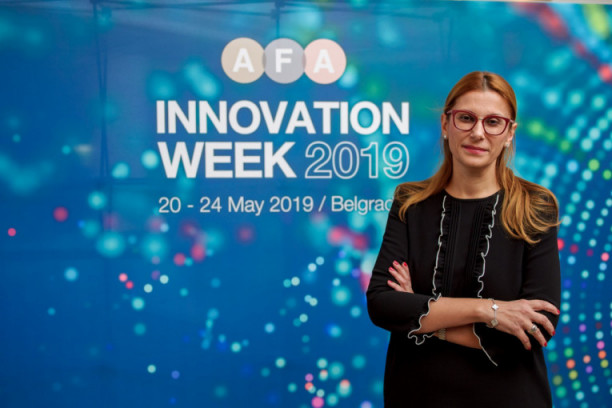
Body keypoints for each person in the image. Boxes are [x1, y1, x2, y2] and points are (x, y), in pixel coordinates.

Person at [366, 71, 561, 407]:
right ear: (446, 124)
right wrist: (490, 311)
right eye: (466, 118)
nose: (478, 133)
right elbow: (383, 304)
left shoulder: (535, 206)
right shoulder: (410, 203)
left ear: (510, 133)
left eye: (493, 122)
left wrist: (424, 318)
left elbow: (535, 329)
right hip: (416, 396)